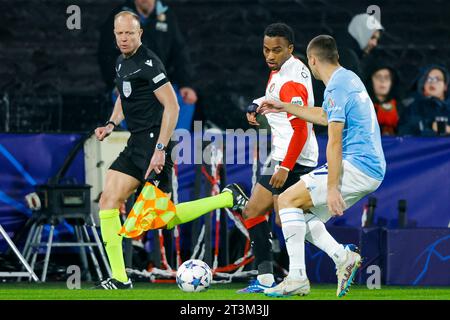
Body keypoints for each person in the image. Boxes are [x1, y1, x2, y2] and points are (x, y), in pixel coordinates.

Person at [130, 23, 357, 296]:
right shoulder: (288, 69)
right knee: (281, 217)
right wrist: (256, 103)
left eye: (276, 50)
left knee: (263, 213)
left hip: (291, 158)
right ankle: (317, 263)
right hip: (288, 155)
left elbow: (300, 128)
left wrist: (285, 167)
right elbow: (278, 97)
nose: (270, 55)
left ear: (291, 49)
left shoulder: (291, 80)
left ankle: (300, 269)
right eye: (266, 49)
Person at [258, 35, 386, 297]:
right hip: (369, 167)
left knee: (285, 201)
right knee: (300, 216)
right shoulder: (348, 77)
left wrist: (331, 189)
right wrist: (283, 106)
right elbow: (325, 117)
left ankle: (297, 279)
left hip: (357, 165)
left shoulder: (336, 87)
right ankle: (342, 257)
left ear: (313, 60)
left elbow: (335, 141)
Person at [93, 11, 181, 289]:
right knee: (107, 200)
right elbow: (123, 95)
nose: (124, 38)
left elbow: (173, 106)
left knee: (161, 217)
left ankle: (226, 199)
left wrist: (160, 149)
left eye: (129, 33)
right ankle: (120, 278)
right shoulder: (121, 63)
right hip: (136, 143)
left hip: (155, 143)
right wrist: (110, 123)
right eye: (119, 33)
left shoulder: (149, 63)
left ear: (139, 33)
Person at [98, 0, 197, 129]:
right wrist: (116, 82)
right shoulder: (119, 15)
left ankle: (175, 145)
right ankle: (133, 142)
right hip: (132, 81)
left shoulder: (167, 16)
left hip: (160, 81)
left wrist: (186, 84)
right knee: (124, 98)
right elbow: (106, 53)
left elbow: (180, 53)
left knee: (185, 99)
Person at [399, 65, 450, 136]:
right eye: (428, 79)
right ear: (423, 84)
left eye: (437, 79)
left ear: (445, 86)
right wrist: (429, 126)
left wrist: (448, 129)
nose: (432, 82)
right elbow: (403, 132)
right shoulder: (413, 107)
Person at [366, 62, 403, 135]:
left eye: (387, 77)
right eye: (378, 77)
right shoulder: (362, 106)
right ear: (371, 80)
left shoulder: (401, 106)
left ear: (392, 82)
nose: (382, 81)